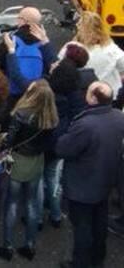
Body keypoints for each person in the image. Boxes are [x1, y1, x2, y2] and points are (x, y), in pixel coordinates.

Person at [54, 81, 124, 268]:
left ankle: (80, 263)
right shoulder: (118, 117)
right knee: (100, 222)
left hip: (82, 184)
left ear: (93, 98)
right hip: (105, 180)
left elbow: (63, 148)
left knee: (82, 227)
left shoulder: (86, 124)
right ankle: (97, 258)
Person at [0, 79, 55, 260]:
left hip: (18, 161)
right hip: (36, 161)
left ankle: (7, 246)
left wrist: (4, 138)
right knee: (31, 204)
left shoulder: (21, 113)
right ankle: (30, 245)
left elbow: (9, 141)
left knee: (12, 203)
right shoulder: (51, 117)